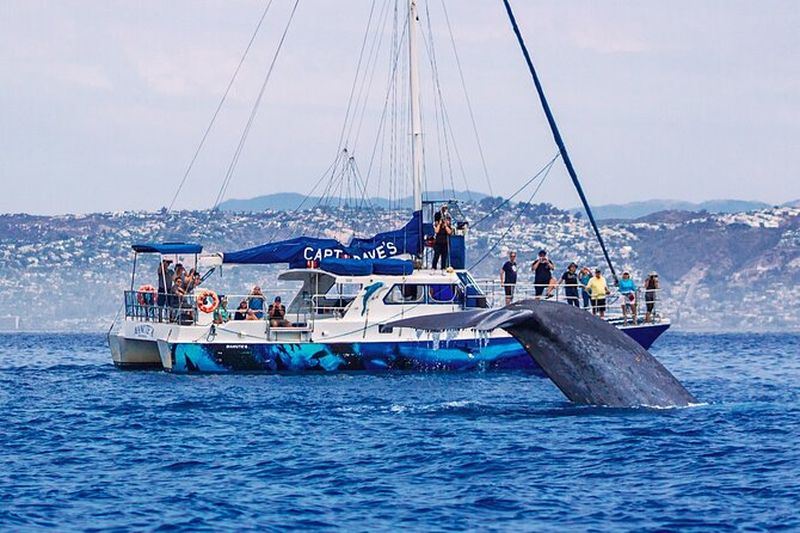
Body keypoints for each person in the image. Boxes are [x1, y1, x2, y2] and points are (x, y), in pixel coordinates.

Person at [432, 205, 453, 270]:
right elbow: (436, 231)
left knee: (444, 256)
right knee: (436, 255)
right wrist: (439, 224)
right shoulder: (437, 223)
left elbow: (449, 232)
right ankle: (434, 267)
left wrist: (446, 225)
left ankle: (443, 268)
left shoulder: (448, 223)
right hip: (438, 241)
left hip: (445, 241)